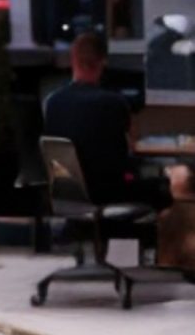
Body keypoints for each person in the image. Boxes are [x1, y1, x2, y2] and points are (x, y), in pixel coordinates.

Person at [43, 31, 171, 210]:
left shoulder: (52, 102)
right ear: (102, 62)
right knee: (165, 186)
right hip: (109, 194)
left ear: (73, 60)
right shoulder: (113, 103)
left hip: (66, 195)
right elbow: (129, 149)